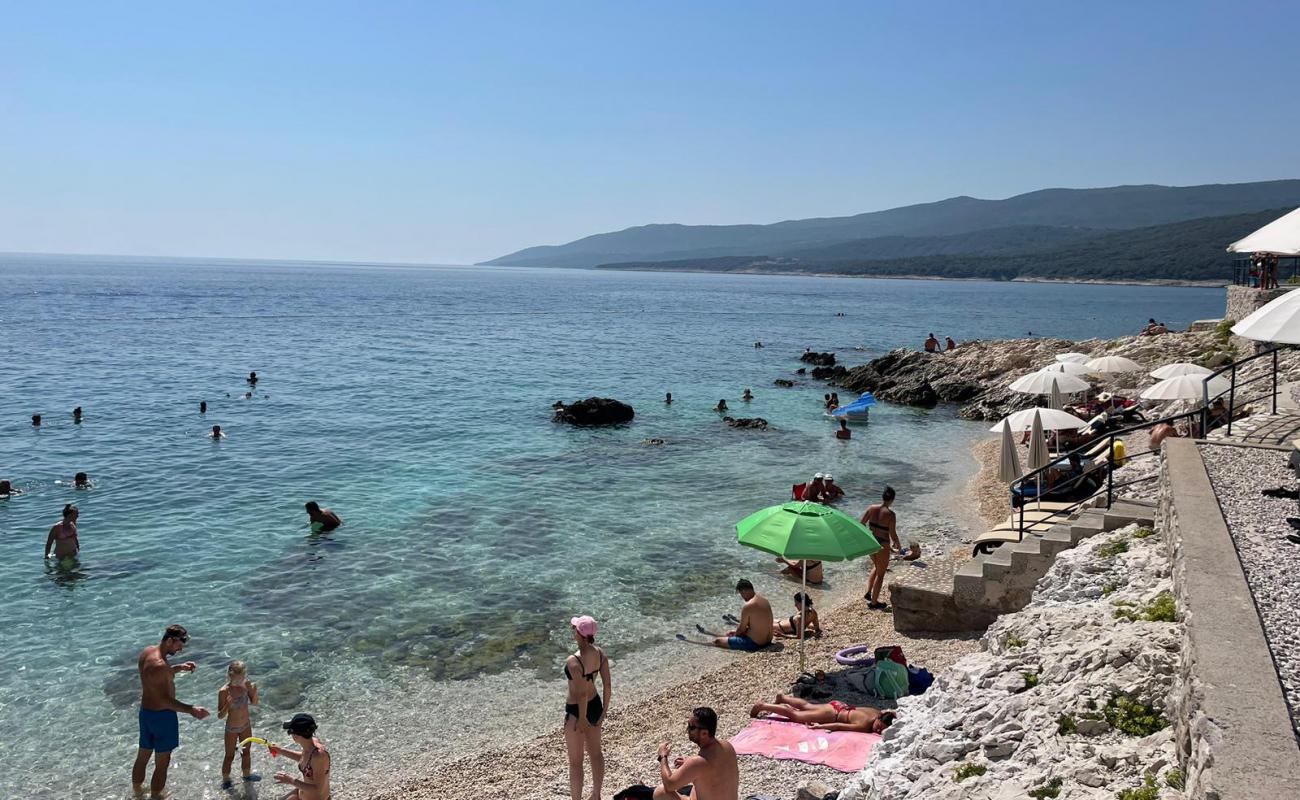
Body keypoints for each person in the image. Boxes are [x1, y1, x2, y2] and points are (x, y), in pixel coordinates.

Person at [133, 625, 209, 799]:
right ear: (169, 640)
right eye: (179, 644)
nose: (181, 648)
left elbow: (155, 678)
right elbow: (163, 699)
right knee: (162, 763)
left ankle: (136, 793)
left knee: (142, 756)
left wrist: (178, 668)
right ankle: (155, 796)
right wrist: (191, 710)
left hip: (146, 713)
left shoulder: (147, 653)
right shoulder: (160, 665)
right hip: (162, 717)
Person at [563, 615, 612, 800]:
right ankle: (596, 795)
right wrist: (603, 712)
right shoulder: (599, 653)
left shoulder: (573, 660)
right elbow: (607, 685)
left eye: (574, 629)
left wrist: (582, 719)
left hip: (577, 712)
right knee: (596, 754)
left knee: (576, 763)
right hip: (595, 705)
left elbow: (581, 693)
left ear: (579, 633)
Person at [653, 707, 738, 800]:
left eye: (692, 727)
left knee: (660, 792)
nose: (688, 730)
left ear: (704, 733)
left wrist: (662, 756)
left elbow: (669, 784)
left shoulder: (697, 763)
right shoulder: (727, 746)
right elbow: (714, 769)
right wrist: (690, 763)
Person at [749, 694, 895, 734]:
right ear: (880, 719)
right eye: (879, 727)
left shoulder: (877, 712)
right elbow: (839, 726)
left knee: (807, 706)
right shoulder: (864, 725)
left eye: (881, 731)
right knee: (796, 716)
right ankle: (763, 706)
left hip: (839, 705)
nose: (877, 730)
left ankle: (783, 698)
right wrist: (819, 726)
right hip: (834, 714)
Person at [267, 713, 330, 800]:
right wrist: (280, 750)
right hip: (302, 793)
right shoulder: (311, 745)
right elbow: (305, 759)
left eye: (290, 732)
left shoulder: (318, 757)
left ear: (295, 735)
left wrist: (290, 780)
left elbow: (318, 790)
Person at [217, 660, 259, 788]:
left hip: (246, 725)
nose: (241, 680)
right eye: (238, 678)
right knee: (229, 755)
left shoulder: (246, 685)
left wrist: (254, 691)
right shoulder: (224, 691)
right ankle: (226, 780)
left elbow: (255, 703)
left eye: (243, 677)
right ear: (230, 675)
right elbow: (220, 715)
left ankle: (246, 776)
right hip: (232, 728)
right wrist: (227, 706)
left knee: (246, 753)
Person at [860, 487, 901, 610]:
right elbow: (892, 533)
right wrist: (897, 543)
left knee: (877, 567)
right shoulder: (891, 514)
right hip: (883, 545)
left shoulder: (872, 508)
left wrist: (868, 536)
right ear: (892, 499)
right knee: (881, 574)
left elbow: (861, 523)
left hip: (871, 543)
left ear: (882, 497)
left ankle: (868, 592)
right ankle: (873, 603)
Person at [712, 580, 772, 651]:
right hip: (768, 640)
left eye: (741, 594)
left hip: (757, 644)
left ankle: (700, 644)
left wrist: (736, 635)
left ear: (744, 591)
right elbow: (758, 625)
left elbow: (741, 629)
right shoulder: (764, 600)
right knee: (731, 634)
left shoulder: (748, 605)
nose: (742, 597)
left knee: (718, 641)